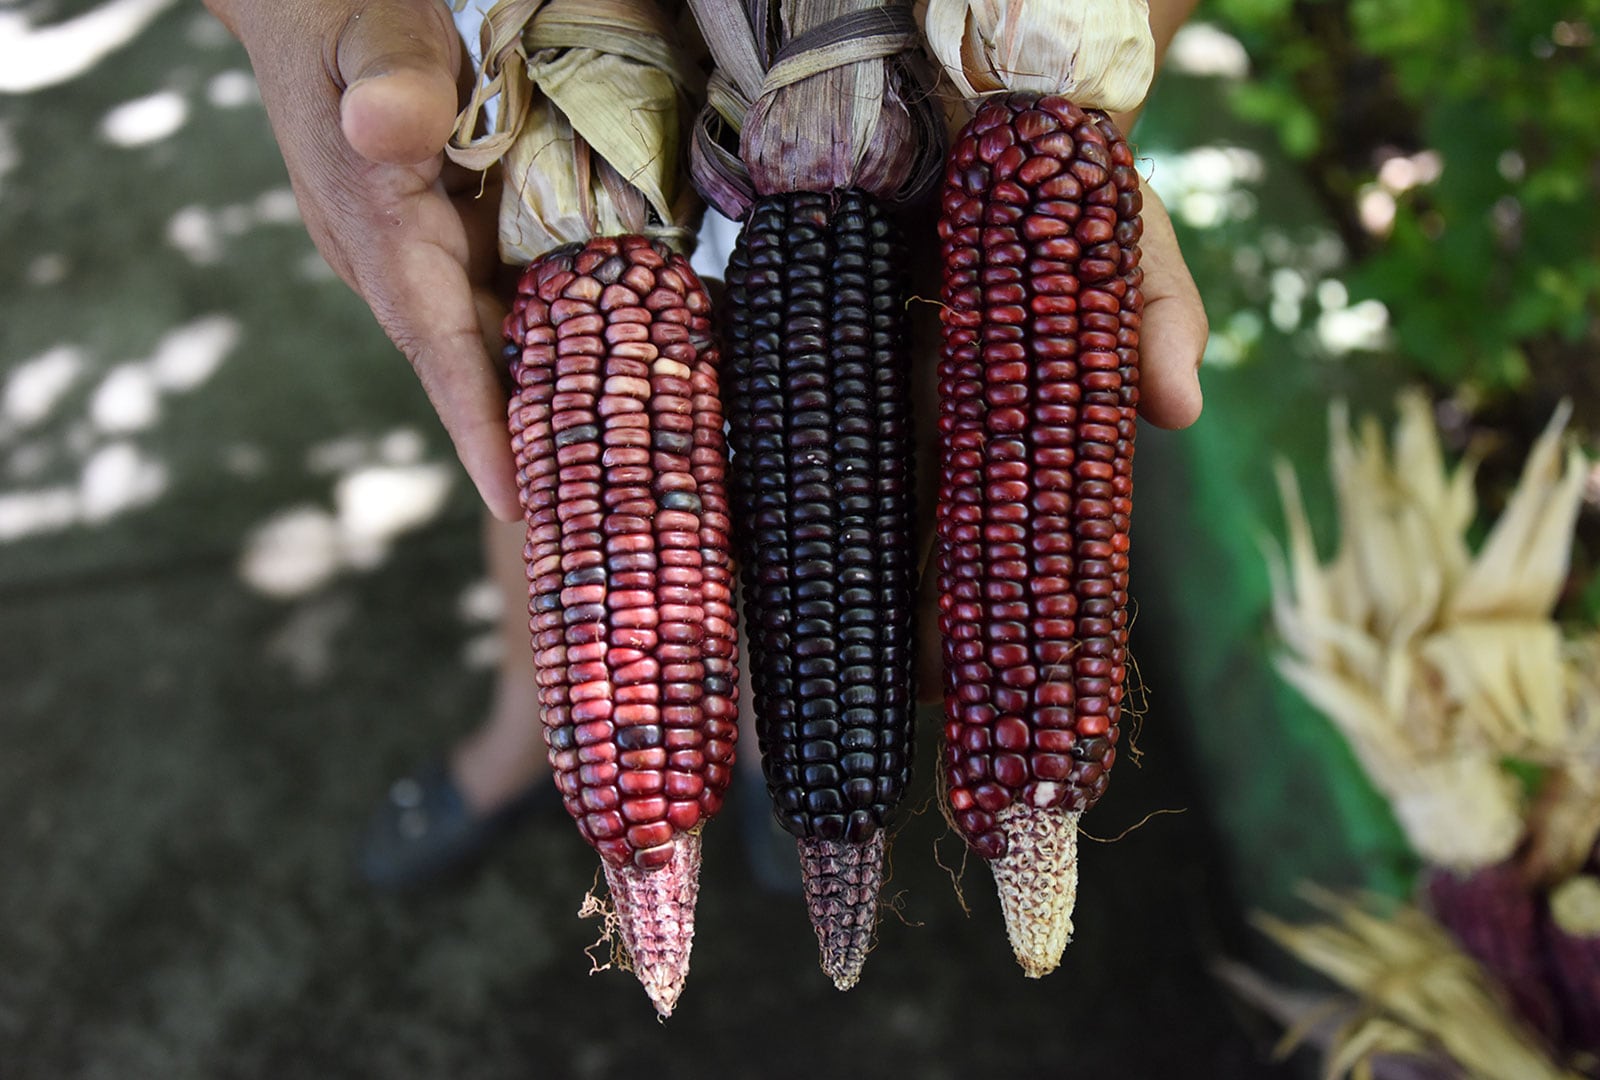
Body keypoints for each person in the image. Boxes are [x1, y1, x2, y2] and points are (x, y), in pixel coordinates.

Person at [201, 0, 1208, 890]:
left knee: (758, 453)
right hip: (596, 92)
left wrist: (1064, 85)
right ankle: (529, 731)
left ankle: (781, 758)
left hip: (865, 93)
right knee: (564, 446)